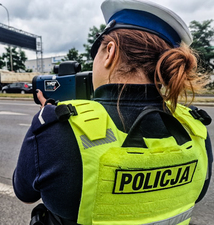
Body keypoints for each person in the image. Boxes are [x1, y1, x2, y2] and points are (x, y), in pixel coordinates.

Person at [13, 0, 213, 224]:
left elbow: (25, 193)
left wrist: (47, 122)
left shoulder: (55, 127)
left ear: (110, 52)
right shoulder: (195, 129)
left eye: (95, 54)